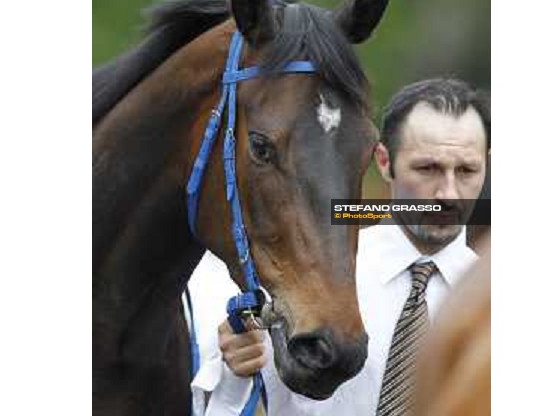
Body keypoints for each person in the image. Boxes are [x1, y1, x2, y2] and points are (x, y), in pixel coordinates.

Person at [189, 77, 490, 415]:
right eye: (428, 168)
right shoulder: (305, 278)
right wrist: (235, 374)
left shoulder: (490, 303)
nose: (448, 194)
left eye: (466, 170)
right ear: (384, 162)